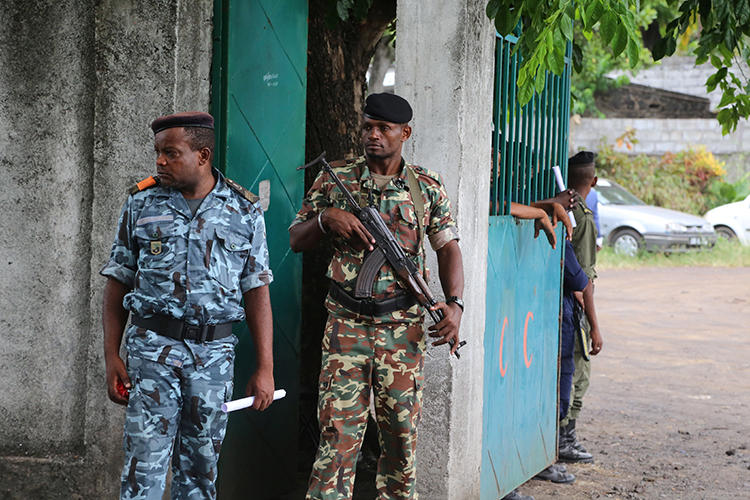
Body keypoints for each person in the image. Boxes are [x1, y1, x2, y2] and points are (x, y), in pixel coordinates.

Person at [289, 93, 464, 499]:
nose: (373, 135)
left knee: (401, 442)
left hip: (402, 332)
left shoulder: (426, 188)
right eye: (367, 126)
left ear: (405, 133)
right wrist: (326, 218)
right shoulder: (336, 178)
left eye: (383, 128)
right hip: (346, 328)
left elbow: (448, 248)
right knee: (336, 439)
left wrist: (455, 304)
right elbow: (296, 239)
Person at [100, 111, 275, 499]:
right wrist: (112, 354)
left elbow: (256, 290)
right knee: (143, 468)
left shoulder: (244, 212)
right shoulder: (141, 205)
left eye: (171, 153)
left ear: (203, 155)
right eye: (158, 153)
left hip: (212, 358)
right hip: (151, 354)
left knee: (200, 470)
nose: (160, 161)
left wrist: (265, 366)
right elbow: (118, 280)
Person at [559, 151, 604, 463]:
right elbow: (584, 281)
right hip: (574, 308)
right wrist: (595, 326)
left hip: (562, 302)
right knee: (578, 374)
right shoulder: (583, 217)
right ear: (595, 181)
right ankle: (565, 439)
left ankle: (562, 437)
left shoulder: (566, 207)